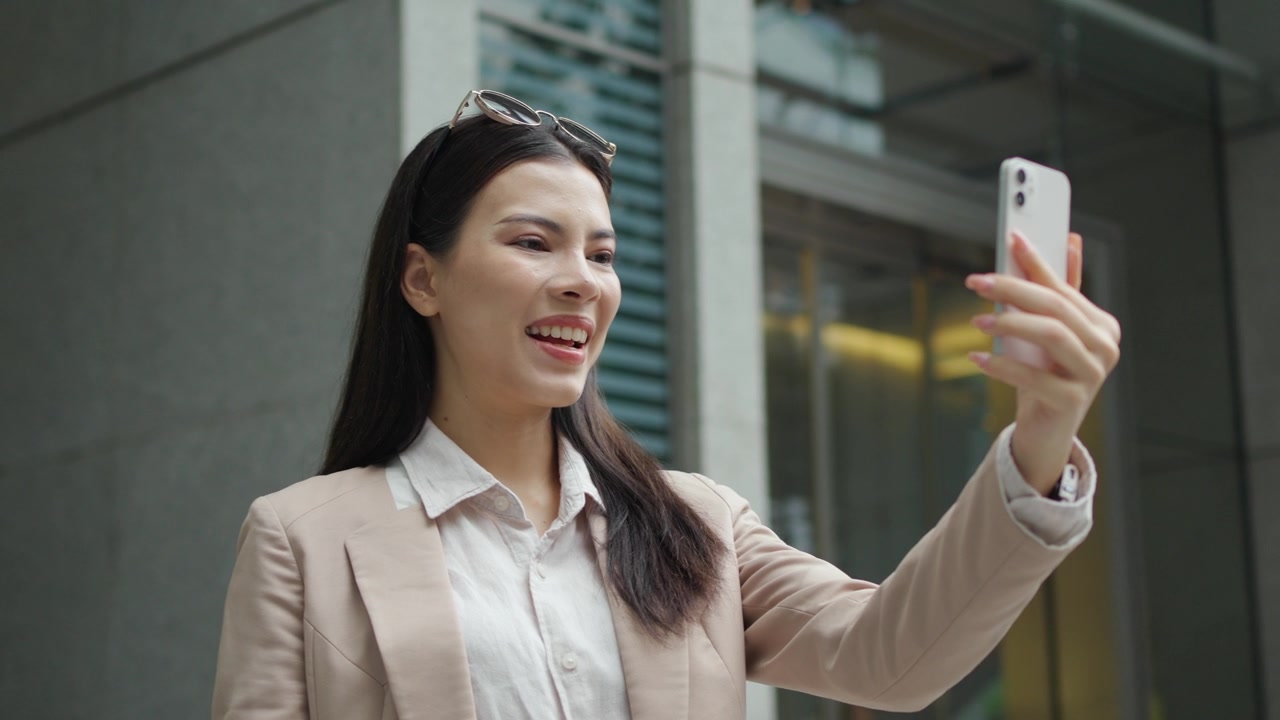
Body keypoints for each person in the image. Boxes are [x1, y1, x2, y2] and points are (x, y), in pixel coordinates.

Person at [211, 90, 1121, 720]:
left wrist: (1043, 433)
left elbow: (894, 655)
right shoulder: (303, 539)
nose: (582, 284)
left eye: (602, 256)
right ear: (423, 278)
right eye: (534, 242)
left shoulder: (699, 526)